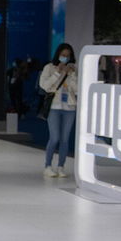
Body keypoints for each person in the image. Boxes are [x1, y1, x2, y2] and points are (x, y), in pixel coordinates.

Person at [39, 43, 79, 178]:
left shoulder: (74, 70)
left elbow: (78, 89)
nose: (65, 58)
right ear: (58, 55)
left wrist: (71, 74)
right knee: (54, 137)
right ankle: (48, 166)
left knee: (65, 139)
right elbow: (45, 86)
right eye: (63, 55)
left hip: (70, 107)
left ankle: (61, 166)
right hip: (54, 107)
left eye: (68, 56)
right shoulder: (49, 68)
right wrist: (58, 73)